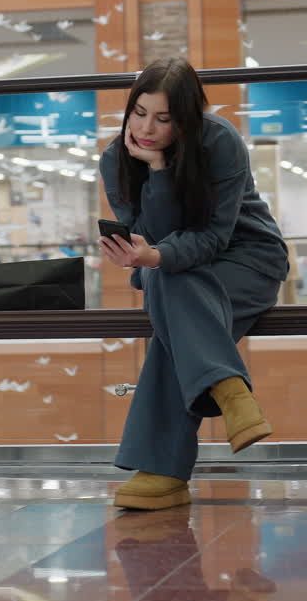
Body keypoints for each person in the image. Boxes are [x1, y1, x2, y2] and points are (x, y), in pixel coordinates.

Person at [98, 57, 289, 510]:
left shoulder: (220, 140)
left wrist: (161, 174)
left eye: (164, 119)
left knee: (168, 282)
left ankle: (162, 471)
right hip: (172, 272)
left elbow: (211, 238)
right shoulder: (115, 160)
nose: (146, 128)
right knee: (168, 278)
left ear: (186, 119)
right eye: (139, 113)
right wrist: (151, 250)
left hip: (247, 259)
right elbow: (155, 240)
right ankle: (231, 392)